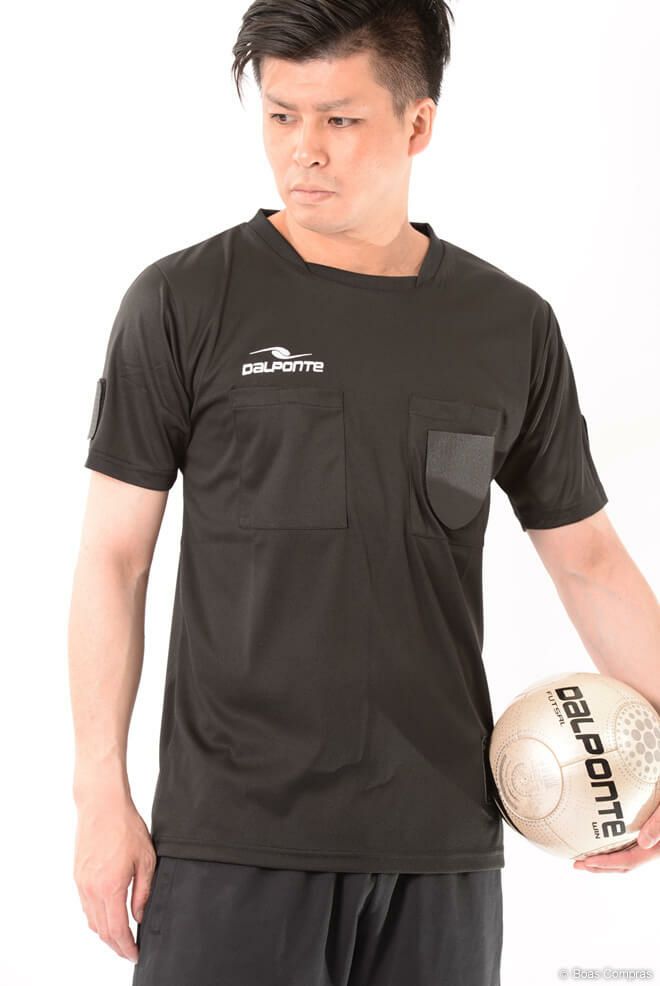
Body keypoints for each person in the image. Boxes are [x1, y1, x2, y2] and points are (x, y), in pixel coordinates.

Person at [68, 1, 660, 984]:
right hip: (230, 843)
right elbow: (113, 557)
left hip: (441, 848)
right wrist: (100, 792)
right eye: (280, 115)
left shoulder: (508, 326)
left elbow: (589, 559)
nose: (303, 150)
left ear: (417, 123)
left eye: (339, 119)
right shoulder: (182, 301)